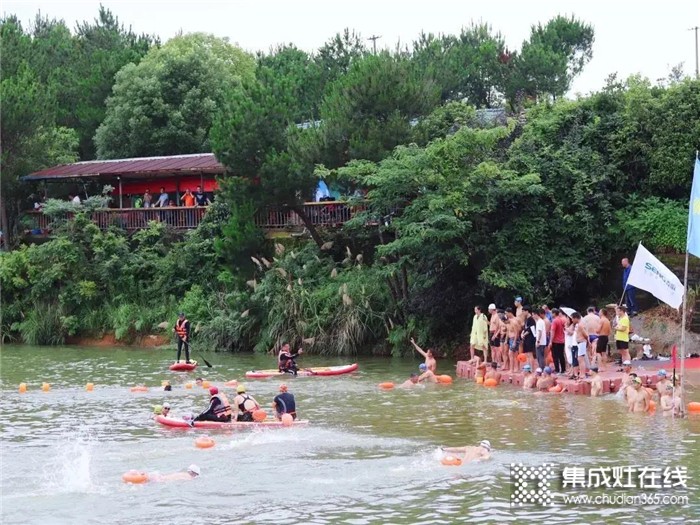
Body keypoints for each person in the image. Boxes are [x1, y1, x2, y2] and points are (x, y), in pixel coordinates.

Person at [571, 312, 590, 379]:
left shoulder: (581, 325)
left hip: (581, 342)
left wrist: (587, 342)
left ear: (576, 318)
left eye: (572, 319)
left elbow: (586, 335)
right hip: (580, 342)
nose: (572, 320)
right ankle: (582, 373)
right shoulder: (579, 324)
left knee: (581, 359)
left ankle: (583, 374)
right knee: (580, 359)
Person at [549, 308, 567, 375]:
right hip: (561, 340)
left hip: (555, 341)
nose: (551, 314)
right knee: (561, 355)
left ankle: (557, 370)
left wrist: (550, 341)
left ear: (554, 313)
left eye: (552, 313)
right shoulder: (561, 320)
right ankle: (563, 370)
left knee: (555, 356)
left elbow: (552, 331)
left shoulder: (554, 321)